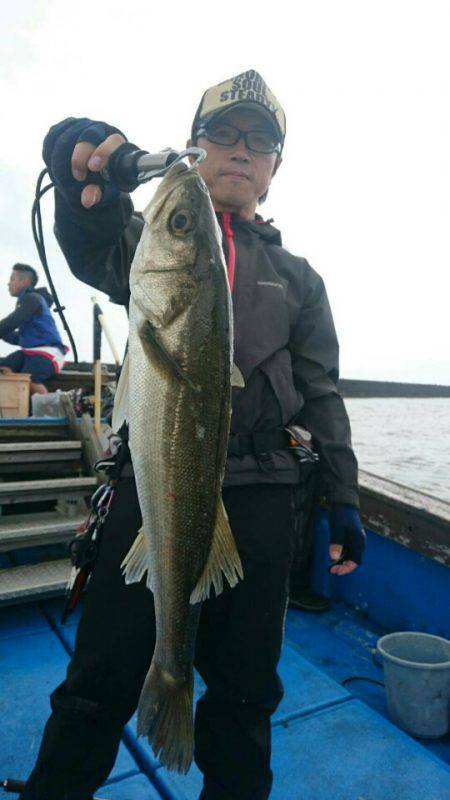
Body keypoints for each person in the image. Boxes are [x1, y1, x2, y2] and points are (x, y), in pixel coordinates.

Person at [20, 70, 366, 800]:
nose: (242, 151)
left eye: (261, 141)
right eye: (224, 134)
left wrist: (344, 498)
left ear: (276, 166)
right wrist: (73, 151)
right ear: (193, 147)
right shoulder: (149, 243)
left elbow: (322, 392)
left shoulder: (299, 278)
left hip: (264, 495)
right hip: (153, 481)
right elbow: (88, 237)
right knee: (97, 681)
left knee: (245, 694)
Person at [0, 264, 68, 394]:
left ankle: (50, 409)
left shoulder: (33, 299)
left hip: (49, 352)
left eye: (12, 279)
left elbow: (11, 322)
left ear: (25, 282)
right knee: (4, 368)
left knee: (29, 378)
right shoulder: (25, 302)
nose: (8, 283)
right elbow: (18, 338)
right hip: (29, 352)